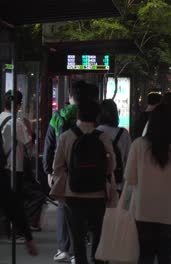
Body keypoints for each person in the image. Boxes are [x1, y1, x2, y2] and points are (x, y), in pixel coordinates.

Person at [123, 104, 171, 264]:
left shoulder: (138, 145)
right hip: (169, 212)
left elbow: (130, 178)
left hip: (142, 211)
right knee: (165, 257)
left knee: (144, 257)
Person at [50, 101, 116, 264]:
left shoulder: (66, 136)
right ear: (96, 117)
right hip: (98, 193)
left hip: (73, 194)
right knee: (98, 236)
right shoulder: (103, 137)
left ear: (78, 115)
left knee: (78, 240)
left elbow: (57, 167)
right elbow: (111, 166)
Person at [43, 80, 98, 263]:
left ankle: (64, 248)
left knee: (63, 208)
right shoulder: (91, 116)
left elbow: (49, 145)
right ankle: (77, 251)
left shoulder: (58, 116)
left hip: (65, 171)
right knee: (83, 212)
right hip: (88, 173)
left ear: (70, 96)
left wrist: (49, 171)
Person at [0, 90, 38, 256]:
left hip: (3, 165)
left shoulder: (0, 117)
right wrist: (30, 128)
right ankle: (17, 232)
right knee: (15, 199)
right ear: (18, 105)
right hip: (15, 166)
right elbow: (28, 143)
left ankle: (4, 231)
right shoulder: (17, 122)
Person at [97, 99, 131, 194]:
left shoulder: (94, 133)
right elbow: (128, 159)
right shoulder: (123, 134)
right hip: (118, 183)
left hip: (98, 182)